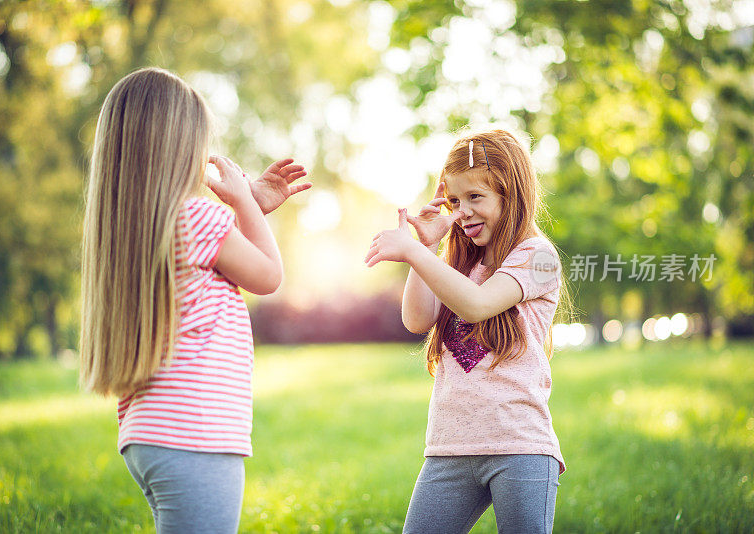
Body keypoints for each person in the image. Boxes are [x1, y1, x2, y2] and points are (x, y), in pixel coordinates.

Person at [79, 67, 311, 533]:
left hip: (148, 434)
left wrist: (246, 207)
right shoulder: (198, 217)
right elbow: (268, 276)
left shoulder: (131, 229)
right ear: (179, 146)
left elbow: (221, 254)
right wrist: (244, 199)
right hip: (196, 434)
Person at [365, 130, 568, 534]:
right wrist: (430, 246)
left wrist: (413, 251)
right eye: (455, 201)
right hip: (450, 447)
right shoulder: (459, 262)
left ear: (512, 196)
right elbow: (417, 319)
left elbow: (476, 304)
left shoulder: (538, 257)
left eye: (476, 197)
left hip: (520, 446)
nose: (462, 213)